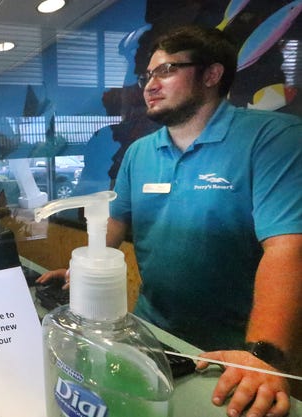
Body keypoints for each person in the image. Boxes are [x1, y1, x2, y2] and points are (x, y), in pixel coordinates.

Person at [37, 25, 301, 417]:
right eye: (147, 76)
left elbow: (287, 247)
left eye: (166, 71)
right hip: (152, 336)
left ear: (211, 75)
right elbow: (114, 220)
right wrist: (88, 266)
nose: (149, 85)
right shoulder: (140, 152)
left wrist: (262, 356)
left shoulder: (273, 138)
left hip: (235, 350)